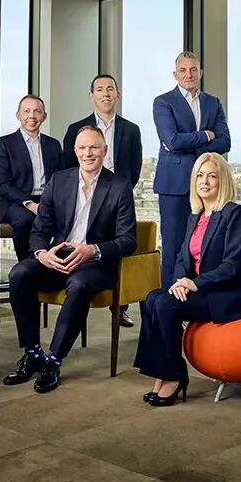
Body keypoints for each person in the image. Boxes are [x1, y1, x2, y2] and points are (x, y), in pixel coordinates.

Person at [3, 126, 136, 393]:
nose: (88, 153)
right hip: (59, 257)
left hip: (95, 263)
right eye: (82, 148)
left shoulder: (119, 186)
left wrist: (92, 250)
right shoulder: (59, 181)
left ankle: (53, 360)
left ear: (104, 151)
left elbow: (128, 240)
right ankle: (32, 353)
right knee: (20, 273)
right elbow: (39, 230)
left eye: (94, 148)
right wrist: (42, 254)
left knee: (79, 284)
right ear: (75, 151)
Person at [134, 153, 241, 406]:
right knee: (152, 298)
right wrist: (180, 281)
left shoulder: (234, 214)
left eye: (212, 176)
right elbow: (182, 258)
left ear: (223, 180)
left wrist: (194, 283)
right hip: (198, 290)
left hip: (226, 293)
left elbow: (232, 266)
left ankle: (173, 376)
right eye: (200, 175)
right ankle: (163, 371)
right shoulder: (196, 216)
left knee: (165, 304)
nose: (205, 181)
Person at [63, 74, 144, 327]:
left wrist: (119, 193)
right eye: (99, 89)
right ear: (91, 95)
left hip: (116, 200)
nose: (105, 93)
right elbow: (68, 168)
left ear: (117, 95)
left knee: (119, 245)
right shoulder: (76, 129)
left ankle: (120, 305)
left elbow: (134, 168)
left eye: (110, 89)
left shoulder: (131, 129)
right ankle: (78, 297)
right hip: (85, 198)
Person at [153, 51, 231, 289]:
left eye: (193, 70)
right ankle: (170, 299)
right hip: (174, 185)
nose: (189, 74)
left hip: (207, 185)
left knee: (205, 246)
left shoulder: (213, 103)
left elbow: (225, 142)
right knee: (174, 247)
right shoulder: (163, 102)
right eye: (183, 70)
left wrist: (189, 145)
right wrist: (205, 136)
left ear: (201, 73)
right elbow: (172, 140)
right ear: (175, 74)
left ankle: (197, 299)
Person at [0, 95, 62, 260]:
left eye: (37, 111)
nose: (32, 116)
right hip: (13, 202)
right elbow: (3, 185)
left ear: (44, 116)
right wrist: (31, 205)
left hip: (46, 199)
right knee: (25, 219)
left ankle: (54, 263)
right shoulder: (4, 144)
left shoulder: (53, 145)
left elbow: (60, 180)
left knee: (65, 217)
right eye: (27, 111)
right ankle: (27, 264)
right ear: (18, 115)